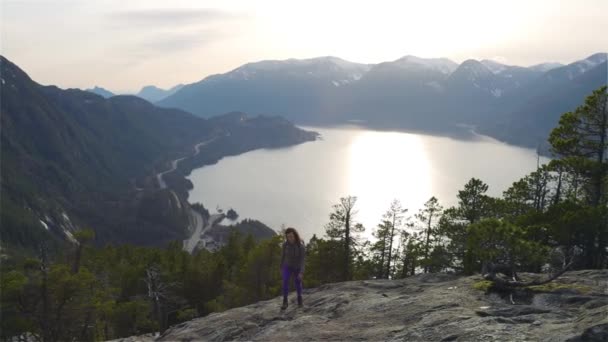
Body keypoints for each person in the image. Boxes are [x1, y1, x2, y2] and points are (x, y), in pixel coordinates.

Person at [280, 227, 305, 310]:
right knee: (285, 281)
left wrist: (301, 272)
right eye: (288, 237)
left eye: (291, 236)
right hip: (287, 266)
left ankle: (300, 299)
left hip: (297, 267)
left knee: (298, 283)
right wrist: (281, 267)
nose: (290, 238)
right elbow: (283, 256)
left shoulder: (300, 246)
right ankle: (285, 301)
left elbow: (302, 260)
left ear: (295, 235)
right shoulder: (285, 245)